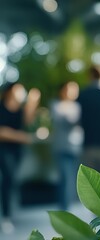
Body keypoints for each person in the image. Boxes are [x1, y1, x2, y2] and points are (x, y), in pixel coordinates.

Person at [0, 82, 40, 234]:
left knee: (12, 181)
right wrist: (21, 137)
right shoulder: (2, 108)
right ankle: (6, 217)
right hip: (4, 150)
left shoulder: (19, 110)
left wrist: (33, 102)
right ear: (10, 91)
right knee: (8, 179)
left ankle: (9, 213)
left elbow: (27, 121)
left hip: (17, 152)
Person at [50, 81, 81, 210]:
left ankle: (69, 206)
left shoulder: (78, 106)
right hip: (62, 148)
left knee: (74, 179)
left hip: (77, 148)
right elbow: (64, 122)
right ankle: (64, 208)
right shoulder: (56, 105)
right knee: (65, 178)